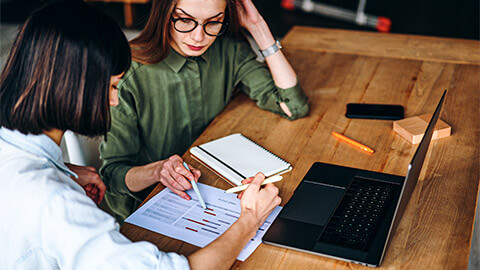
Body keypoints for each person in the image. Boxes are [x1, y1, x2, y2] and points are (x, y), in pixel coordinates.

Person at [0, 1, 281, 269]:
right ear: (71, 86)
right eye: (111, 87)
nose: (113, 101)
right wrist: (250, 217)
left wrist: (64, 170)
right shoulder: (58, 203)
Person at [99, 0, 309, 222]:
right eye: (185, 20)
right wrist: (157, 171)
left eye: (213, 22)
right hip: (150, 211)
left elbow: (292, 106)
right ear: (164, 14)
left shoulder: (228, 49)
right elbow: (112, 175)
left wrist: (258, 26)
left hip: (216, 190)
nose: (199, 37)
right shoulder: (125, 75)